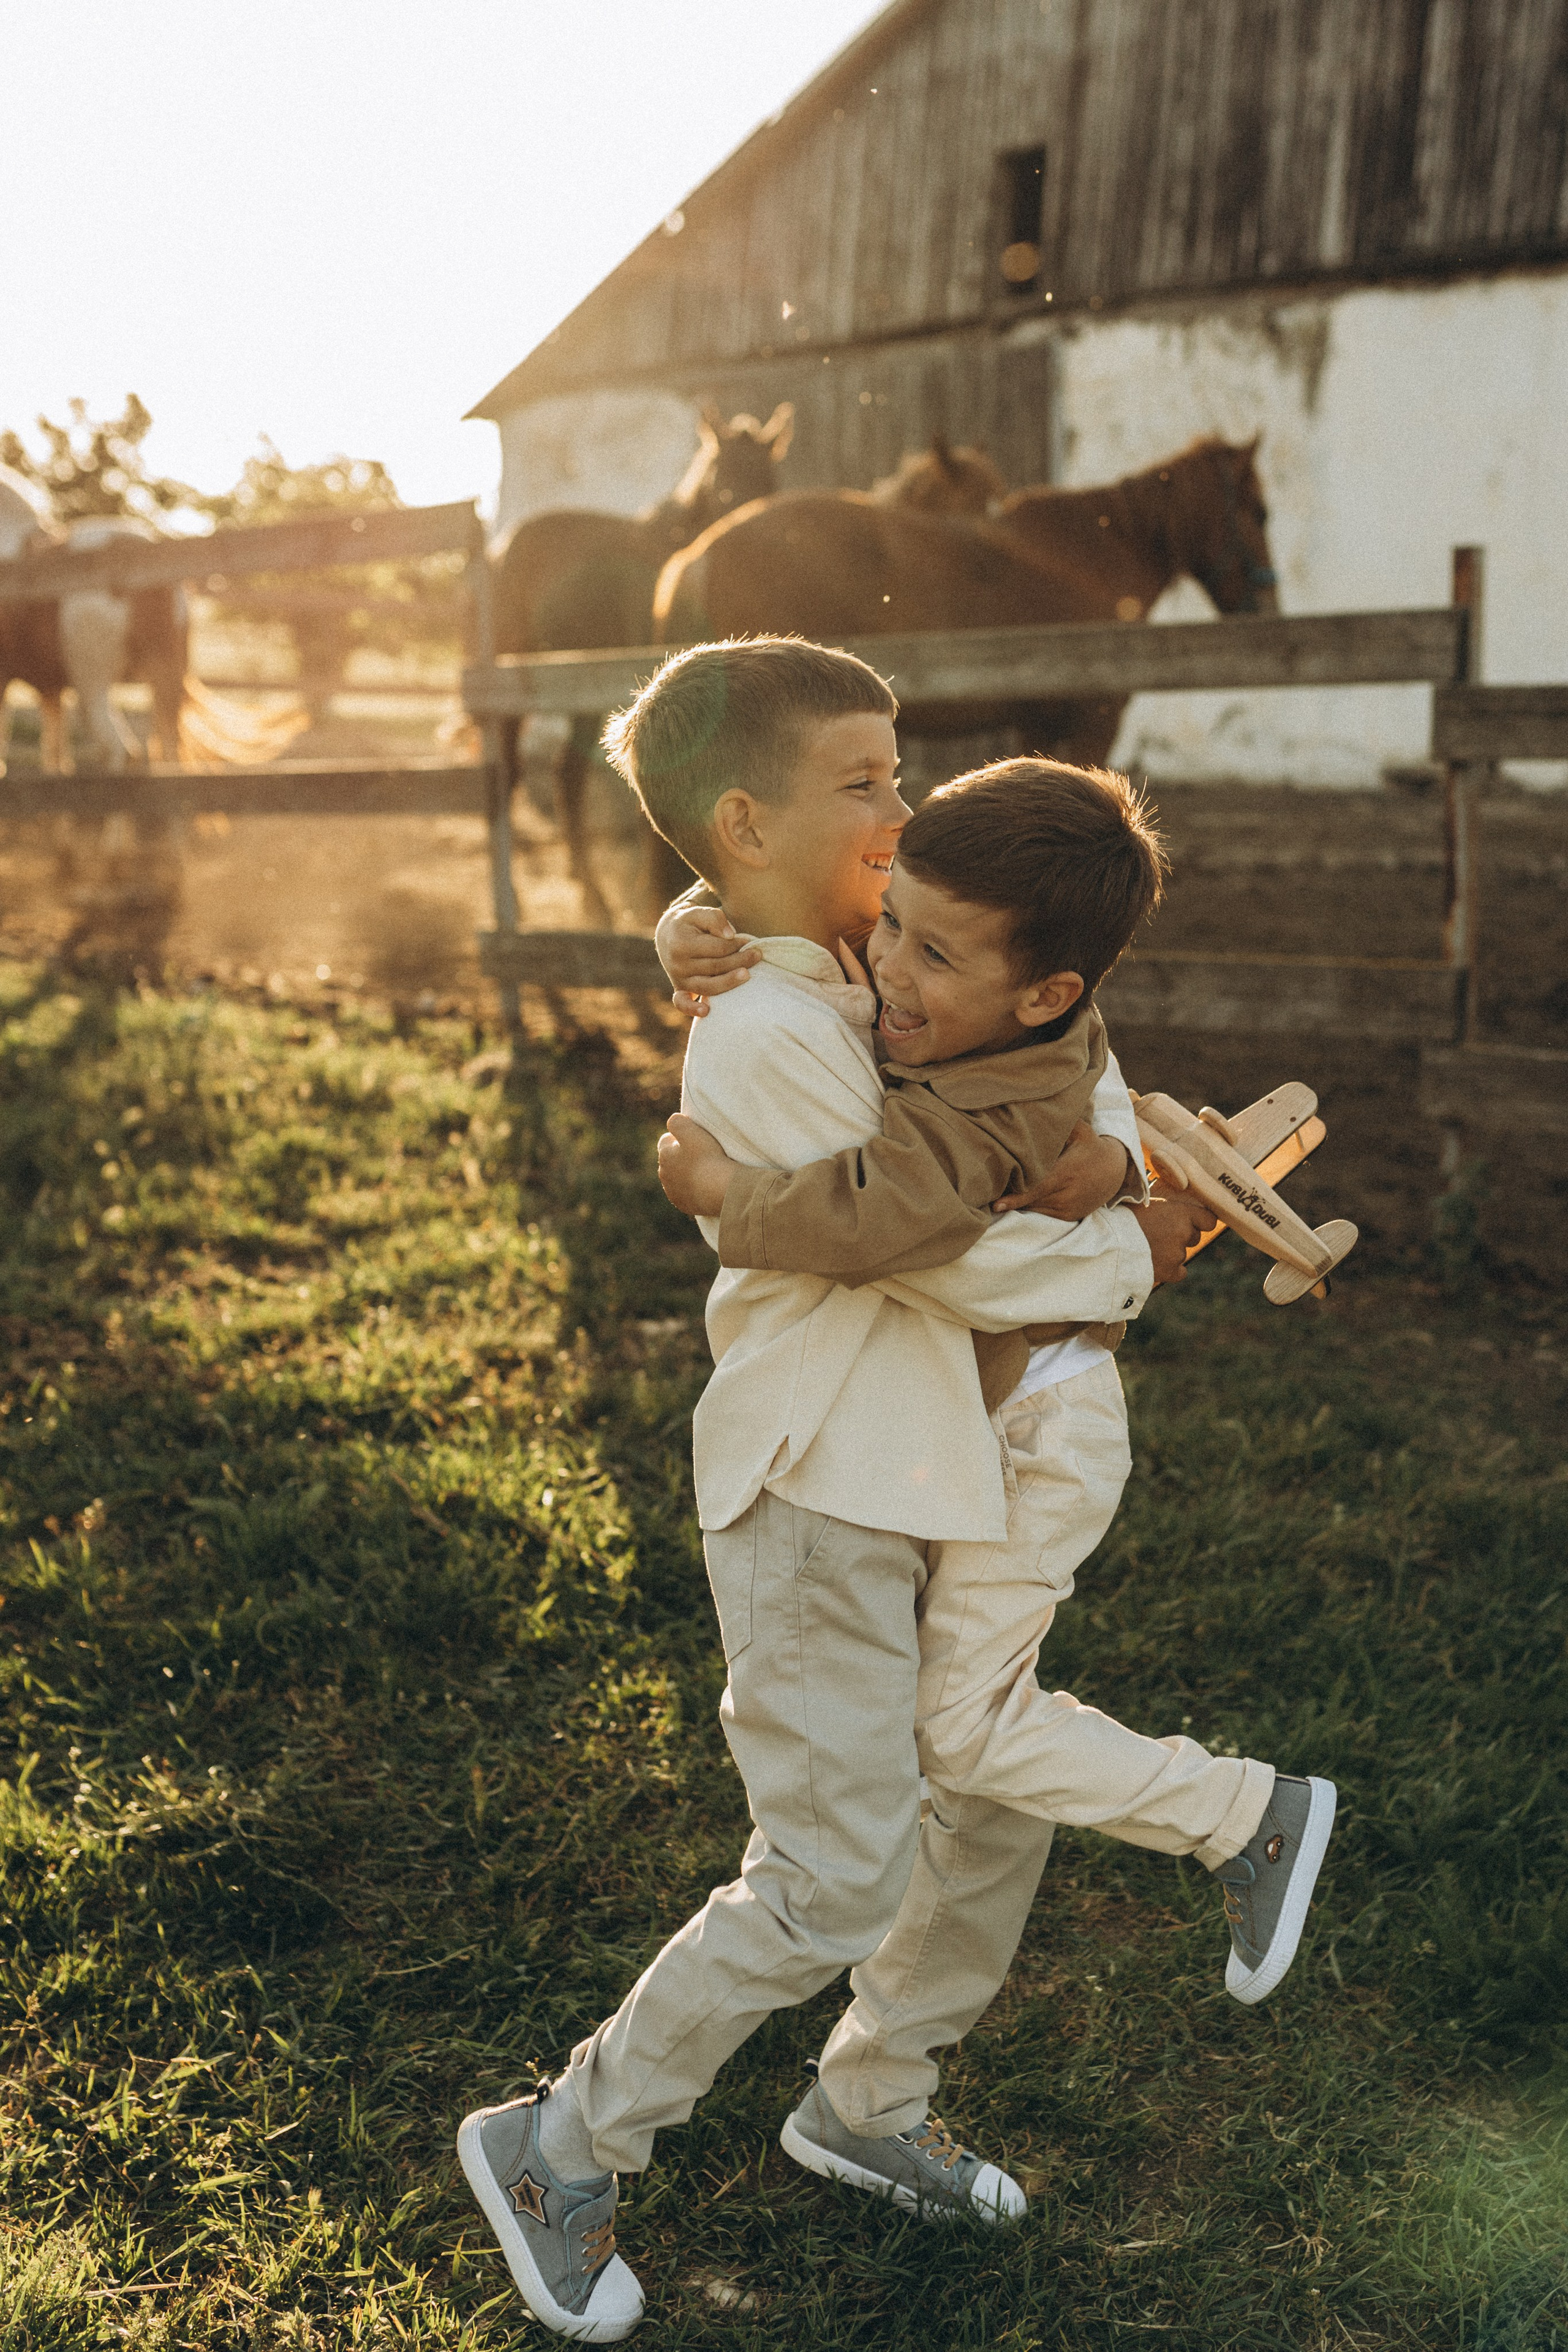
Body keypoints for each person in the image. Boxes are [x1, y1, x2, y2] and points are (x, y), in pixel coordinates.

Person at [456, 639, 1332, 2343]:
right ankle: (562, 2140)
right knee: (836, 1872)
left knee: (980, 1781)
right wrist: (1136, 1246)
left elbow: (1004, 1053)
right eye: (864, 779)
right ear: (743, 818)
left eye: (899, 765)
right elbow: (942, 1258)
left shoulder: (845, 963)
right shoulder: (775, 1029)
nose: (902, 803)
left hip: (915, 1459)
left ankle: (869, 2104)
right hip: (816, 1485)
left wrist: (693, 926)